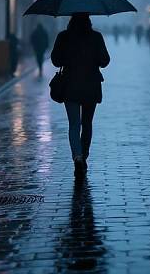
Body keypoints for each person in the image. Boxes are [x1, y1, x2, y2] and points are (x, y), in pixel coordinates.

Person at [51, 13, 110, 176]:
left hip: (70, 85)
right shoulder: (96, 37)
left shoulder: (63, 36)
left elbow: (55, 60)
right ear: (89, 21)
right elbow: (105, 60)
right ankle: (84, 155)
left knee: (74, 124)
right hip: (91, 85)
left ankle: (77, 156)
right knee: (87, 123)